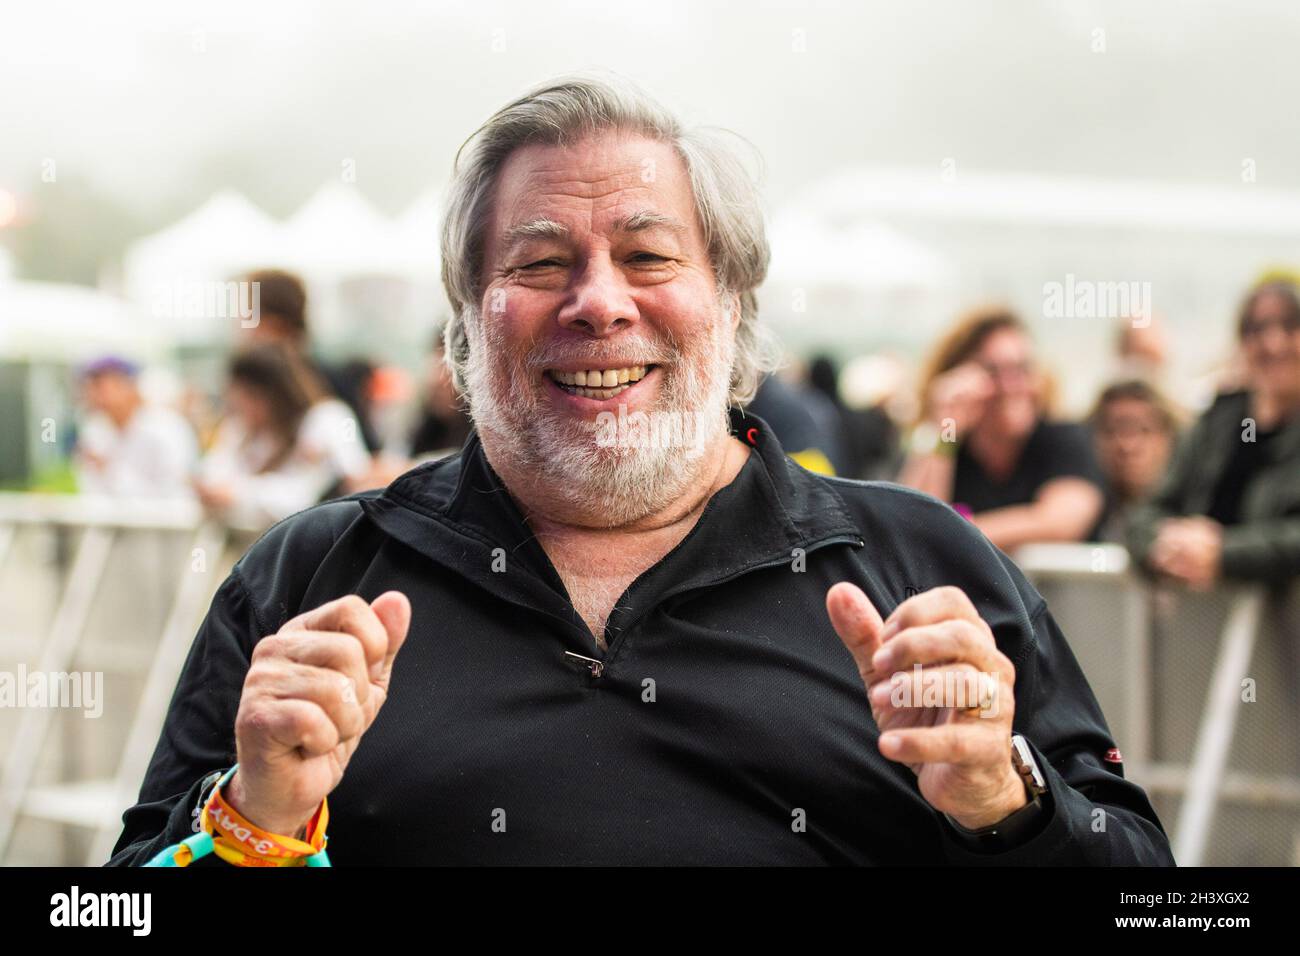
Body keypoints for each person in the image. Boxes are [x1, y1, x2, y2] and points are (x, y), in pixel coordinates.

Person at [110, 75, 1171, 866]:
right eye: (536, 263)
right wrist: (254, 824)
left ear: (731, 304)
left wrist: (1006, 796)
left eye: (649, 255)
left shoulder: (920, 561)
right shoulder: (312, 576)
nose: (597, 301)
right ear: (466, 327)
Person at [1128, 279, 1300, 588]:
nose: (1272, 343)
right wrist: (1163, 545)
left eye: (1290, 325)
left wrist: (1224, 554)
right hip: (1200, 624)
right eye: (1256, 329)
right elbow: (1147, 511)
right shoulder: (1218, 422)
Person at [896, 309, 1105, 552]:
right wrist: (944, 427)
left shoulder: (1063, 438)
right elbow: (912, 531)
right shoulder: (949, 448)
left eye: (1023, 368)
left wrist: (952, 532)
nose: (1011, 386)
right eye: (992, 371)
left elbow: (1060, 523)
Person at [194, 344, 370, 529]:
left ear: (274, 393)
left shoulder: (325, 419)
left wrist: (237, 493)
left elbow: (310, 495)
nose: (241, 405)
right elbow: (213, 471)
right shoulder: (242, 429)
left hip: (306, 540)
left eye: (248, 396)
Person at [241, 268, 382, 453]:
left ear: (272, 323)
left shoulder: (327, 381)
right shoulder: (252, 386)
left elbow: (367, 452)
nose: (241, 326)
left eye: (247, 314)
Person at [74, 356, 197, 499]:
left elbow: (174, 492)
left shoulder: (166, 428)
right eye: (88, 386)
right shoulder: (94, 430)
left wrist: (110, 470)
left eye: (100, 385)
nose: (92, 394)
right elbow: (91, 491)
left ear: (129, 385)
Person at [1086, 380, 1180, 544]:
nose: (1127, 446)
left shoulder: (1190, 512)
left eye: (1143, 430)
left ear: (1169, 438)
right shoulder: (1085, 513)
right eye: (1111, 431)